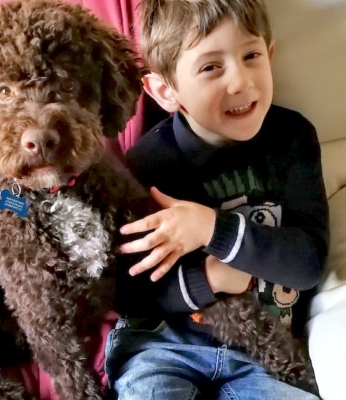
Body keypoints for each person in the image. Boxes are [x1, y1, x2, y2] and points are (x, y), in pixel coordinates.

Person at [105, 0, 329, 399]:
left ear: (270, 54)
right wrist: (210, 278)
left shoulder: (292, 139)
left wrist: (212, 228)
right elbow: (129, 292)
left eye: (251, 55)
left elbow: (307, 262)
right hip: (164, 343)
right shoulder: (148, 163)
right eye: (211, 67)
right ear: (164, 90)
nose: (241, 81)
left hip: (265, 353)